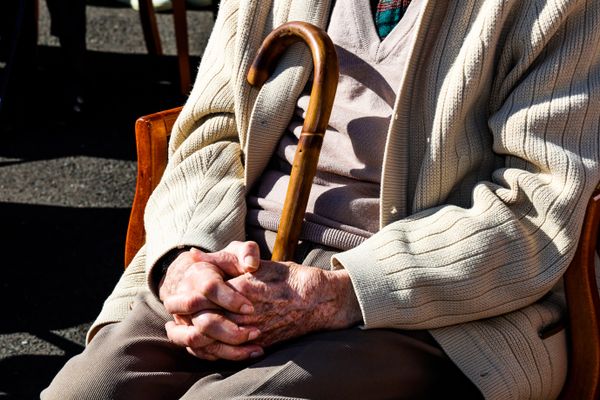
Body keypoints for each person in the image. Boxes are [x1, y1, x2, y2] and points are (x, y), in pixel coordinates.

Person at [42, 0, 600, 399]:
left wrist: (340, 292)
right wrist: (185, 261)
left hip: (426, 304)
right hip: (240, 256)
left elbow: (534, 208)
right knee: (88, 389)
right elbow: (211, 129)